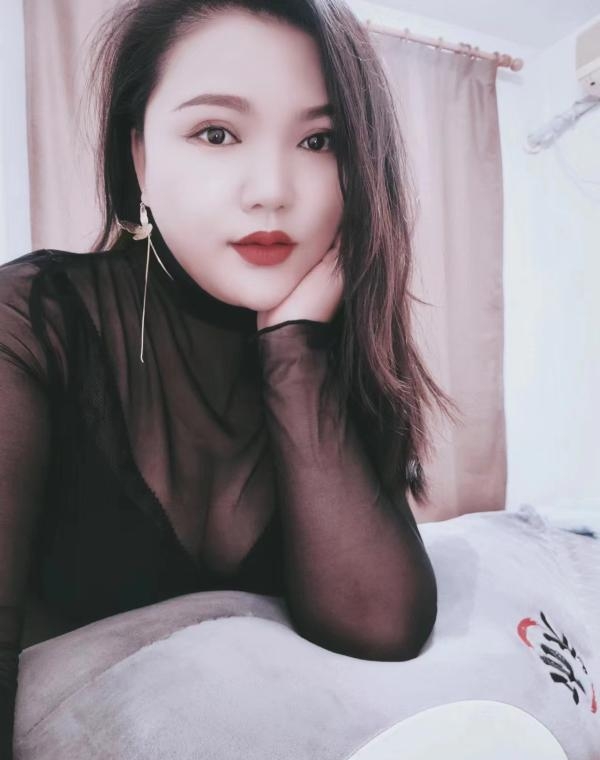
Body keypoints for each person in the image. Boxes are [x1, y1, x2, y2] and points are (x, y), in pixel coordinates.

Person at [0, 0, 460, 755]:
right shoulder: (30, 322)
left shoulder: (335, 351)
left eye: (320, 141)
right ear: (140, 157)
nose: (271, 190)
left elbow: (383, 628)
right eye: (216, 133)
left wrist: (293, 351)